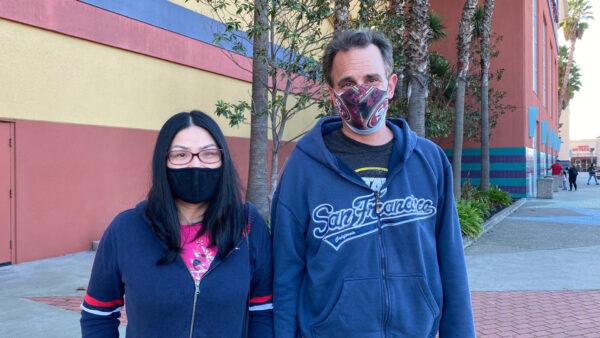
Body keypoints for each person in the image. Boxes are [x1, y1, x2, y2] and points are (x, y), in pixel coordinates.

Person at [272, 29, 475, 338]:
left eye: (372, 80)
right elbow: (286, 274)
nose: (361, 92)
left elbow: (451, 263)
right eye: (348, 84)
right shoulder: (303, 168)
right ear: (332, 93)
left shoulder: (429, 162)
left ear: (391, 85)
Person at [81, 111, 273, 337]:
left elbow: (262, 309)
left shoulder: (247, 225)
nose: (196, 164)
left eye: (209, 154)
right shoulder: (126, 229)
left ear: (223, 160)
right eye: (181, 155)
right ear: (163, 161)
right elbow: (98, 314)